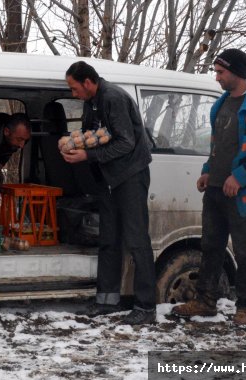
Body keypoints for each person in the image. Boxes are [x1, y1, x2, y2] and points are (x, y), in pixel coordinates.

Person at [171, 49, 246, 326]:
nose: (217, 76)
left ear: (236, 73)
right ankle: (205, 302)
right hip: (216, 191)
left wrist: (240, 177)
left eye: (221, 72)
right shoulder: (219, 105)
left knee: (245, 251)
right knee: (211, 246)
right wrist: (207, 172)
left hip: (244, 193)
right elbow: (217, 147)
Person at [62, 61, 155, 325]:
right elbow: (96, 135)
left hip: (130, 176)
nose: (73, 93)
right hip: (109, 179)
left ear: (88, 83)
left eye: (74, 88)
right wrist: (73, 143)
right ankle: (106, 301)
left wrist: (87, 155)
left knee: (137, 241)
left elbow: (126, 142)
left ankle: (146, 307)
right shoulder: (91, 101)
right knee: (109, 238)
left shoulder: (113, 97)